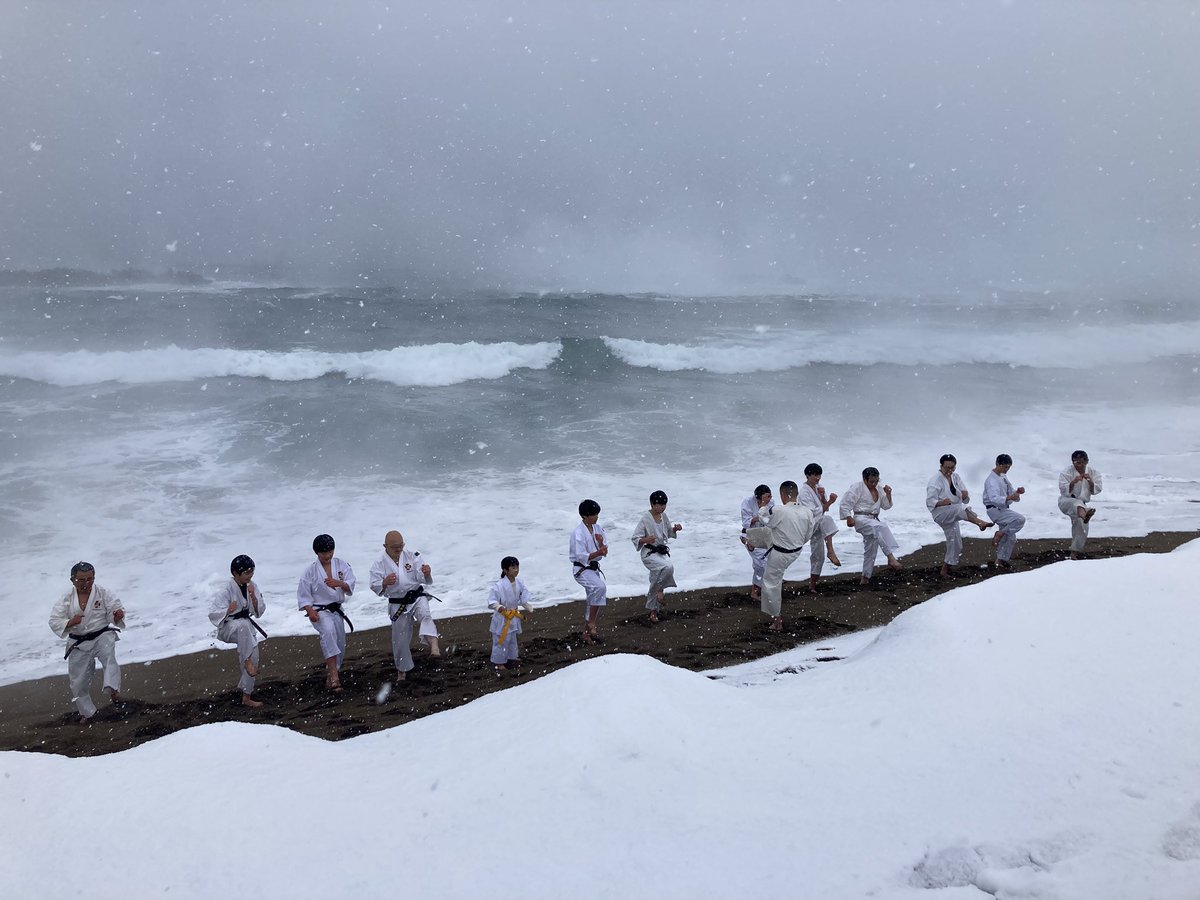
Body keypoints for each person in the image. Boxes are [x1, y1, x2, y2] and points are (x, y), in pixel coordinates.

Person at [48, 561, 125, 722]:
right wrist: (70, 622)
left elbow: (115, 608)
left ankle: (113, 690)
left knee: (109, 658)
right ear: (72, 580)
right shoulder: (67, 599)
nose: (86, 583)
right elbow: (54, 620)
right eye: (81, 580)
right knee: (78, 681)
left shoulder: (103, 592)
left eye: (90, 579)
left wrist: (117, 615)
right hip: (78, 642)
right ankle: (87, 713)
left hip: (101, 634)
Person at [368, 530, 441, 683]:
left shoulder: (413, 555)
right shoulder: (379, 563)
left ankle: (434, 647)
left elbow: (422, 577)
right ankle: (402, 670)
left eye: (401, 546)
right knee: (400, 638)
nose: (398, 549)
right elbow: (374, 585)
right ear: (385, 546)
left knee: (425, 615)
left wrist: (427, 573)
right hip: (397, 602)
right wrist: (384, 582)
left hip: (416, 595)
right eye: (394, 547)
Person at [752, 481, 816, 633]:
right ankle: (751, 540)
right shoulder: (807, 512)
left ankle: (777, 620)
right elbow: (808, 535)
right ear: (796, 494)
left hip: (780, 554)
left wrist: (763, 505)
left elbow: (763, 518)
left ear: (782, 494)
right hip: (796, 551)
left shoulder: (779, 510)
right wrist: (794, 542)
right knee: (770, 532)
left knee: (770, 583)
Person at [297, 534, 356, 693]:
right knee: (328, 633)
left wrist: (339, 583)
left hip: (337, 609)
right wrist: (310, 611)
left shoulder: (341, 564)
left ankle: (331, 675)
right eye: (324, 553)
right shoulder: (310, 571)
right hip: (319, 610)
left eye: (330, 551)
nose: (328, 555)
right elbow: (303, 595)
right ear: (317, 553)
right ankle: (335, 677)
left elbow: (350, 585)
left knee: (340, 644)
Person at [209, 554, 267, 707]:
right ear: (235, 573)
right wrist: (228, 610)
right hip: (228, 628)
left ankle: (246, 697)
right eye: (247, 572)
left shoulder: (252, 586)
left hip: (245, 628)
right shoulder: (226, 590)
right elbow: (212, 613)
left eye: (252, 571)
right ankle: (246, 661)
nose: (250, 575)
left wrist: (253, 597)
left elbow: (258, 612)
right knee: (242, 627)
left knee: (255, 657)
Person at [926, 454, 995, 578]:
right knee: (960, 508)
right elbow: (929, 502)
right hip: (940, 513)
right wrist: (942, 502)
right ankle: (980, 523)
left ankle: (945, 570)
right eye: (947, 467)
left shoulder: (955, 477)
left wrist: (965, 494)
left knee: (956, 543)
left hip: (952, 512)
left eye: (952, 467)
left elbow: (964, 495)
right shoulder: (934, 481)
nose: (950, 470)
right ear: (941, 466)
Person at [838, 467, 904, 585]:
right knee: (879, 527)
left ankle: (865, 578)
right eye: (871, 481)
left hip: (873, 518)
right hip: (860, 519)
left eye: (876, 481)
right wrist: (848, 517)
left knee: (871, 549)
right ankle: (890, 558)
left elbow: (886, 506)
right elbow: (845, 504)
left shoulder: (879, 488)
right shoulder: (856, 488)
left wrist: (888, 494)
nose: (874, 484)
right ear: (864, 479)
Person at [631, 490, 683, 623]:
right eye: (659, 505)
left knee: (656, 578)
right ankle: (660, 591)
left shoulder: (663, 516)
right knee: (668, 567)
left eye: (664, 505)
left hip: (661, 552)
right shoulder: (645, 518)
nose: (662, 507)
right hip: (649, 553)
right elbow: (635, 538)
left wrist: (675, 529)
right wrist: (646, 539)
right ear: (652, 504)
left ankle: (653, 613)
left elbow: (668, 532)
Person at [797, 463, 842, 593]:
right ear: (807, 475)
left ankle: (812, 585)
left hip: (818, 525)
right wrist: (830, 501)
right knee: (826, 519)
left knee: (818, 556)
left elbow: (824, 508)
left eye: (819, 475)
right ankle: (831, 551)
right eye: (815, 475)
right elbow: (813, 513)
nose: (818, 478)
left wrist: (823, 497)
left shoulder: (819, 487)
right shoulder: (804, 492)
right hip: (808, 525)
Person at [570, 499, 608, 643]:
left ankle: (586, 633)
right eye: (593, 514)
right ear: (585, 516)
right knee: (599, 588)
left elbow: (604, 552)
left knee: (592, 598)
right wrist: (599, 551)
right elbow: (581, 556)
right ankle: (591, 622)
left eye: (597, 514)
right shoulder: (578, 533)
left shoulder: (598, 529)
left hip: (593, 568)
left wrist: (601, 543)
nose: (596, 517)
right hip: (581, 569)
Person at [487, 556, 533, 672]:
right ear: (505, 570)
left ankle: (511, 658)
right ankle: (499, 663)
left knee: (512, 639)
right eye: (513, 567)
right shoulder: (499, 585)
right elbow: (492, 600)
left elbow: (523, 595)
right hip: (503, 616)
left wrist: (526, 604)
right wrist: (499, 607)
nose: (516, 569)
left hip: (513, 615)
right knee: (501, 640)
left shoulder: (519, 583)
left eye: (517, 567)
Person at [983, 454, 1026, 569]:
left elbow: (1010, 493)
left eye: (1008, 467)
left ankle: (1000, 561)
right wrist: (1009, 498)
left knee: (1011, 537)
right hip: (994, 509)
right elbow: (994, 498)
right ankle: (1000, 533)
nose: (1006, 469)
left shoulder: (1002, 476)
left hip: (1002, 508)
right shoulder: (991, 480)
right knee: (1020, 519)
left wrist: (1017, 492)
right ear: (998, 464)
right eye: (1005, 467)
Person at [1058, 449, 1103, 559]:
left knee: (1082, 526)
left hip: (1082, 503)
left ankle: (1074, 552)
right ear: (1073, 462)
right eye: (1077, 463)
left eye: (1082, 462)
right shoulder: (1066, 472)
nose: (1079, 465)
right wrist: (1073, 482)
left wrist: (1090, 482)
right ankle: (1085, 514)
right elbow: (1063, 490)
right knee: (1076, 504)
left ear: (1087, 461)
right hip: (1066, 501)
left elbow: (1097, 490)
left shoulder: (1093, 472)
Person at [739, 484, 772, 601]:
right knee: (761, 564)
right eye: (767, 496)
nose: (770, 499)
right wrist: (761, 514)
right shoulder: (747, 502)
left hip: (765, 535)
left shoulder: (771, 503)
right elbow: (746, 522)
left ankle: (764, 586)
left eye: (770, 496)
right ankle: (755, 592)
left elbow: (771, 520)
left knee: (768, 561)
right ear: (759, 497)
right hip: (750, 535)